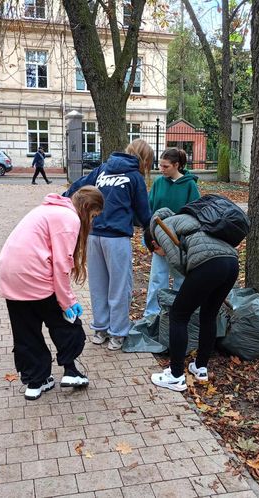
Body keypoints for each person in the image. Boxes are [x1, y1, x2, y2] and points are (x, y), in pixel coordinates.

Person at [0, 186, 104, 400]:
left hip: (10, 275)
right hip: (35, 276)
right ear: (85, 208)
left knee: (25, 332)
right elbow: (61, 266)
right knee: (67, 324)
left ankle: (35, 383)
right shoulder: (69, 218)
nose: (91, 222)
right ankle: (70, 371)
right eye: (93, 216)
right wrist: (68, 302)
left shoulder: (46, 210)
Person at [64, 139, 153, 351]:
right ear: (144, 159)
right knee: (119, 287)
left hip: (93, 235)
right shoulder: (134, 177)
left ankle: (100, 329)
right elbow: (143, 212)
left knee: (98, 285)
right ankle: (117, 334)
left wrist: (62, 200)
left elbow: (78, 187)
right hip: (117, 238)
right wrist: (152, 231)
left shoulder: (103, 169)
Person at [144, 206, 239, 391]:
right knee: (209, 314)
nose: (159, 255)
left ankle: (175, 375)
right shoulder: (184, 220)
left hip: (209, 264)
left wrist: (193, 276)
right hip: (231, 262)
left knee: (178, 315)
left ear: (154, 244)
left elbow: (178, 262)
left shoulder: (160, 227)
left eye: (156, 253)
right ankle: (200, 367)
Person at [144, 148, 200, 318]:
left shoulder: (190, 185)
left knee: (180, 280)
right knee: (157, 278)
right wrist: (150, 237)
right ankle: (152, 315)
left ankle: (178, 314)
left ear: (177, 165)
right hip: (158, 240)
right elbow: (150, 209)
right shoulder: (159, 183)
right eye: (160, 165)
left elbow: (195, 214)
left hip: (179, 242)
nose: (161, 169)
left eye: (165, 166)